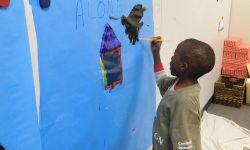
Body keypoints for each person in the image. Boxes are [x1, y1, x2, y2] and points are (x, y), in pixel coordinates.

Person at [151, 37, 215, 150]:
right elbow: (161, 81)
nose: (171, 58)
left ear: (183, 66)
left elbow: (184, 143)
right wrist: (156, 54)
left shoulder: (184, 102)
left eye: (174, 55)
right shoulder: (178, 83)